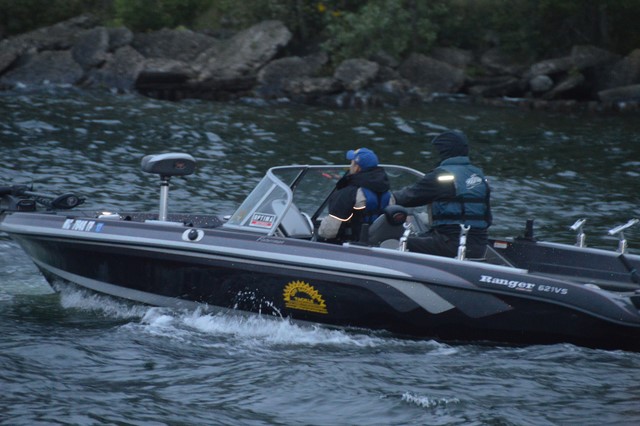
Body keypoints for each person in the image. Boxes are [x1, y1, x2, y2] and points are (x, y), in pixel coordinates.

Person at [393, 130, 491, 258]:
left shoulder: (442, 175)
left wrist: (385, 198)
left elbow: (407, 197)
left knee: (394, 240)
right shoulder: (479, 175)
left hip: (450, 244)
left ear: (444, 151)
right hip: (478, 245)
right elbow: (488, 218)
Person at [317, 147, 394, 243]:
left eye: (352, 163)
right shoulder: (387, 192)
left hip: (352, 245)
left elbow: (329, 232)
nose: (350, 166)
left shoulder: (349, 193)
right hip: (378, 242)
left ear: (357, 167)